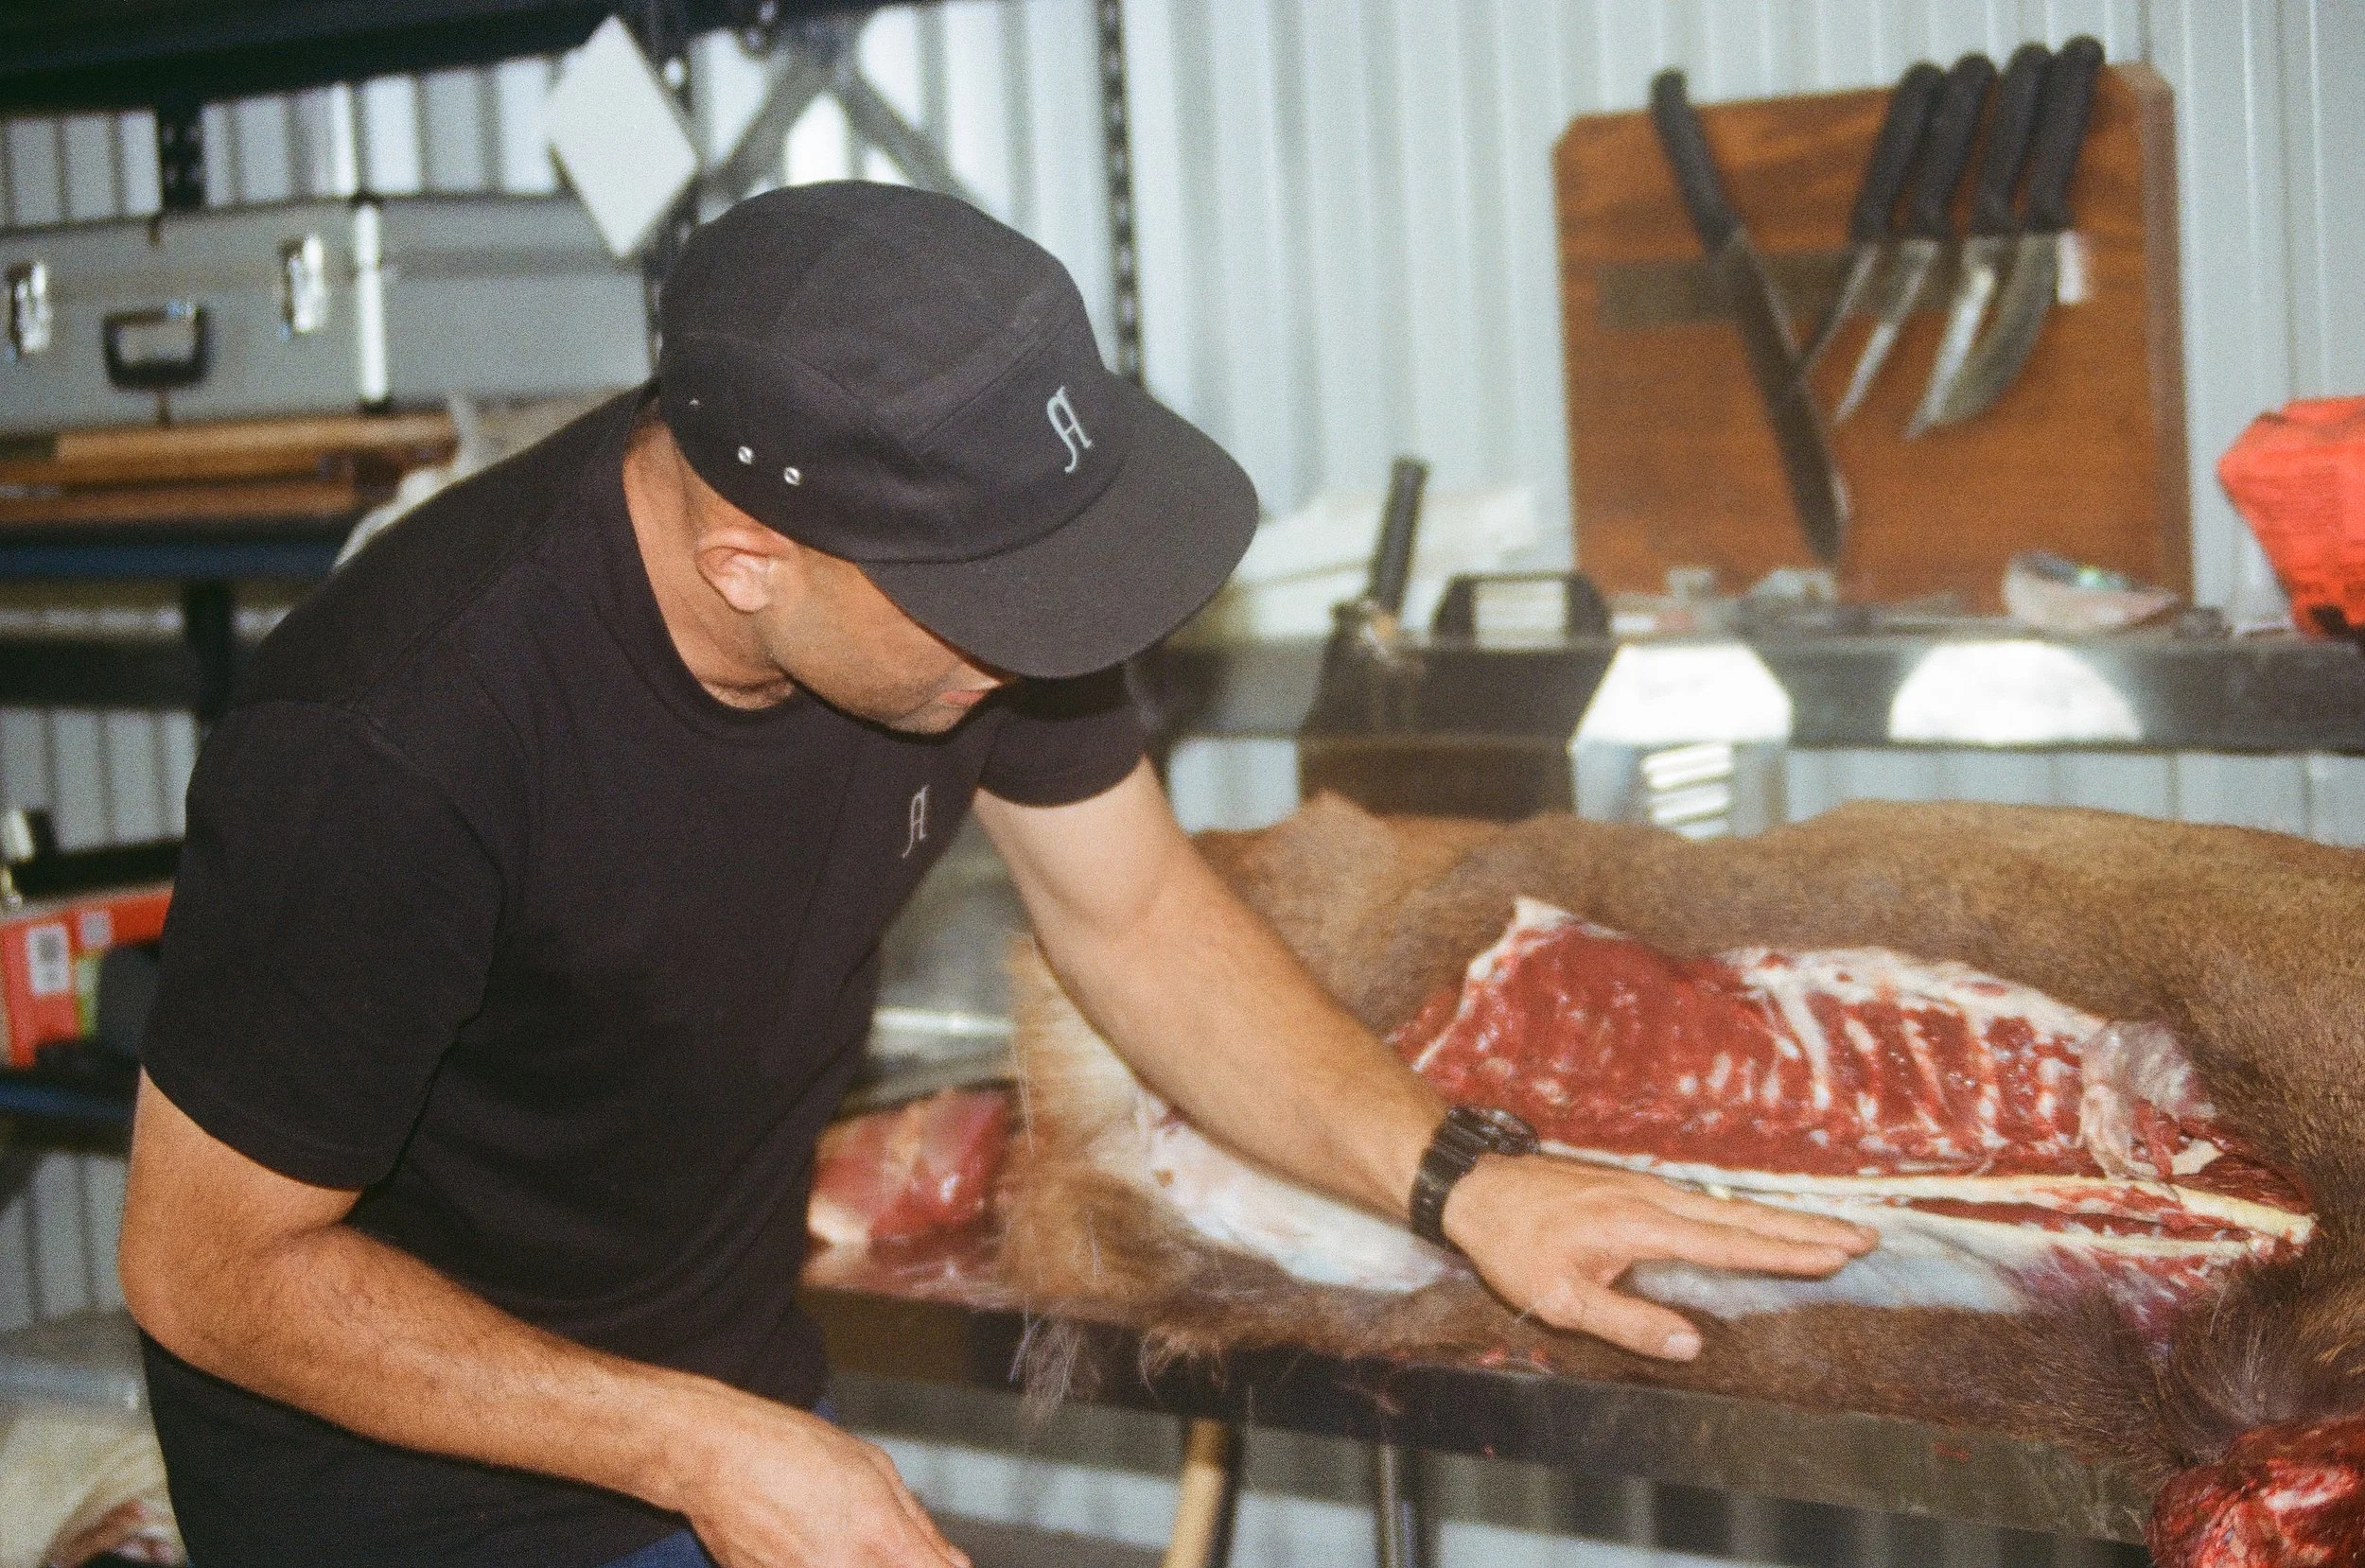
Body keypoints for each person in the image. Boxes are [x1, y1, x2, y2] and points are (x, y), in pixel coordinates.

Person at [115, 182, 1873, 1568]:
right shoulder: (392, 743)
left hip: (732, 1408)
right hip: (417, 1500)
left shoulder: (945, 590)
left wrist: (1469, 1183)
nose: (1038, 652)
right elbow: (210, 1267)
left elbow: (1139, 914)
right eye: (995, 617)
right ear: (749, 562)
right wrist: (692, 1442)